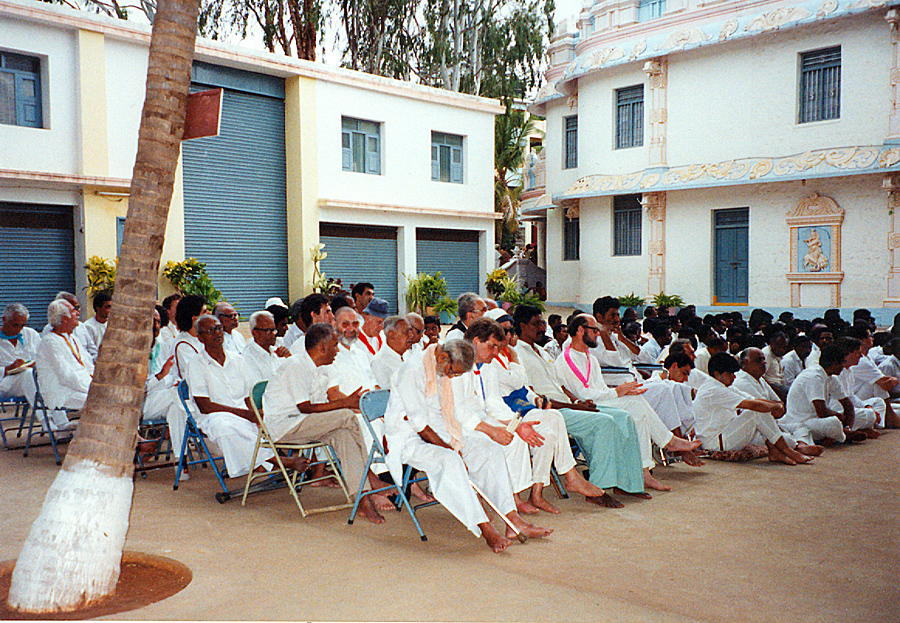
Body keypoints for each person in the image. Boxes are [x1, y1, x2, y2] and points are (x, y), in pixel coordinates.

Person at [384, 338, 552, 552]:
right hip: (407, 436)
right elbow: (420, 426)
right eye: (453, 372)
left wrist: (456, 443)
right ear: (444, 357)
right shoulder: (411, 371)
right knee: (452, 460)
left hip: (440, 430)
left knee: (489, 449)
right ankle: (486, 528)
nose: (452, 377)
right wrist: (453, 450)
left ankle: (512, 520)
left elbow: (443, 416)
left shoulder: (440, 363)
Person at [480, 313, 616, 513]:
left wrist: (535, 398)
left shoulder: (504, 354)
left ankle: (539, 492)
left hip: (519, 407)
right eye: (504, 331)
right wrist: (516, 357)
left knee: (551, 425)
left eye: (510, 331)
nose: (509, 336)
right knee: (546, 428)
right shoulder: (492, 355)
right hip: (503, 412)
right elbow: (514, 381)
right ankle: (568, 477)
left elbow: (523, 386)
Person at [512, 306, 646, 506]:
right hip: (549, 410)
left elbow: (561, 386)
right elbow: (531, 395)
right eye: (537, 323)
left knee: (623, 416)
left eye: (542, 322)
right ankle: (597, 488)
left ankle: (628, 483)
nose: (542, 327)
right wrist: (573, 407)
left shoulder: (541, 350)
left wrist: (576, 402)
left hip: (567, 405)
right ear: (522, 326)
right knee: (604, 423)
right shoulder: (518, 354)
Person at [556, 313, 701, 491]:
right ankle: (667, 443)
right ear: (580, 330)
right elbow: (585, 395)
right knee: (635, 404)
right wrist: (617, 392)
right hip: (585, 407)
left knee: (637, 407)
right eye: (594, 330)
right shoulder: (566, 359)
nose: (597, 334)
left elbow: (600, 389)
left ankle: (646, 471)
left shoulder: (590, 358)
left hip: (600, 400)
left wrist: (622, 391)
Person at [262, 323, 387, 524]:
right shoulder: (297, 365)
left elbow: (316, 408)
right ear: (322, 347)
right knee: (346, 415)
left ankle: (362, 499)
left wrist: (343, 404)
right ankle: (369, 476)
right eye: (335, 345)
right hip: (285, 427)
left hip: (306, 424)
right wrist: (344, 403)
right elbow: (304, 408)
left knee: (344, 436)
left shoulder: (319, 368)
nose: (337, 350)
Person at [694, 353, 813, 464]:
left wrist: (775, 405)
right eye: (730, 374)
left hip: (726, 434)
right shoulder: (713, 390)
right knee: (757, 411)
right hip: (716, 442)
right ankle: (787, 450)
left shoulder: (723, 385)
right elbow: (753, 405)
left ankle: (775, 451)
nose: (734, 377)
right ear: (717, 374)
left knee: (761, 410)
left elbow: (754, 400)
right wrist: (776, 406)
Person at [732, 348, 822, 456]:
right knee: (783, 438)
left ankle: (801, 445)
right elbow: (763, 407)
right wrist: (775, 407)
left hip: (773, 421)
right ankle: (797, 447)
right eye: (758, 360)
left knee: (800, 427)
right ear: (746, 363)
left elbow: (778, 402)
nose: (764, 363)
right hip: (755, 430)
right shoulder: (741, 381)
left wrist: (776, 407)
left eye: (764, 359)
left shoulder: (759, 378)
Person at [781, 343, 866, 446]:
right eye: (843, 363)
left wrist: (848, 426)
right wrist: (840, 417)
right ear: (835, 363)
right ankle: (844, 435)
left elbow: (848, 404)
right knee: (833, 423)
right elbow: (822, 412)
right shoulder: (814, 376)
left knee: (865, 414)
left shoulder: (831, 377)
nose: (844, 366)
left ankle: (839, 434)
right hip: (801, 422)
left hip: (819, 421)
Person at [34, 299, 93, 429]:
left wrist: (97, 385)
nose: (78, 313)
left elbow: (88, 366)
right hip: (62, 393)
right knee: (104, 402)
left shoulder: (72, 338)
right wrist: (92, 390)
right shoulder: (50, 342)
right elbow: (66, 376)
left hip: (81, 388)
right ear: (64, 318)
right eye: (73, 311)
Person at [0, 303, 40, 407]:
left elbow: (43, 356)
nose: (18, 330)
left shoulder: (31, 334)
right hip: (5, 382)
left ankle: (58, 418)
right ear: (4, 320)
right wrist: (8, 368)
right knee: (29, 375)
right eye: (15, 325)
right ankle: (47, 419)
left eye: (22, 325)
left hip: (32, 379)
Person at [41, 292, 98, 362]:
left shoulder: (80, 329)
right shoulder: (50, 335)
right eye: (74, 310)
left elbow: (92, 351)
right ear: (63, 315)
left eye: (78, 308)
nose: (78, 313)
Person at [242, 310, 291, 386]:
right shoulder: (248, 358)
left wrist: (289, 359)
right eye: (268, 331)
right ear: (255, 333)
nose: (273, 334)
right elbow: (258, 388)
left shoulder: (277, 352)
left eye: (274, 330)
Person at [171, 294, 207, 380]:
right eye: (204, 312)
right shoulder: (183, 345)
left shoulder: (203, 338)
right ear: (195, 318)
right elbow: (195, 375)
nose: (209, 314)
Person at [371, 315, 410, 389]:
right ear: (391, 335)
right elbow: (388, 395)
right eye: (406, 332)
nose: (411, 335)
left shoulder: (410, 354)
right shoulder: (379, 362)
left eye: (410, 331)